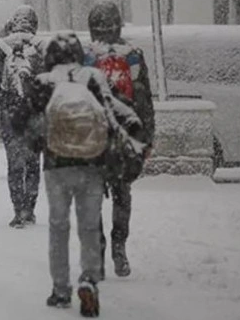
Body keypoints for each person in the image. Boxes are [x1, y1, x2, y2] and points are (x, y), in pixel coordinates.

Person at [14, 33, 142, 318]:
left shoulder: (44, 82)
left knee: (58, 228)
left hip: (56, 165)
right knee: (88, 228)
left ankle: (61, 289)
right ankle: (89, 279)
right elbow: (115, 111)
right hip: (91, 164)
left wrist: (36, 140)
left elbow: (19, 119)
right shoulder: (93, 77)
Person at [84, 0, 155, 279]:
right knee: (122, 194)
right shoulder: (133, 56)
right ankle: (119, 246)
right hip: (125, 135)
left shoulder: (84, 56)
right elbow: (144, 99)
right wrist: (147, 137)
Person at [0, 5, 46, 228]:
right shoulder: (42, 46)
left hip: (10, 112)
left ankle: (18, 210)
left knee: (15, 163)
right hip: (36, 113)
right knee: (33, 162)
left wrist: (2, 98)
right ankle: (30, 208)